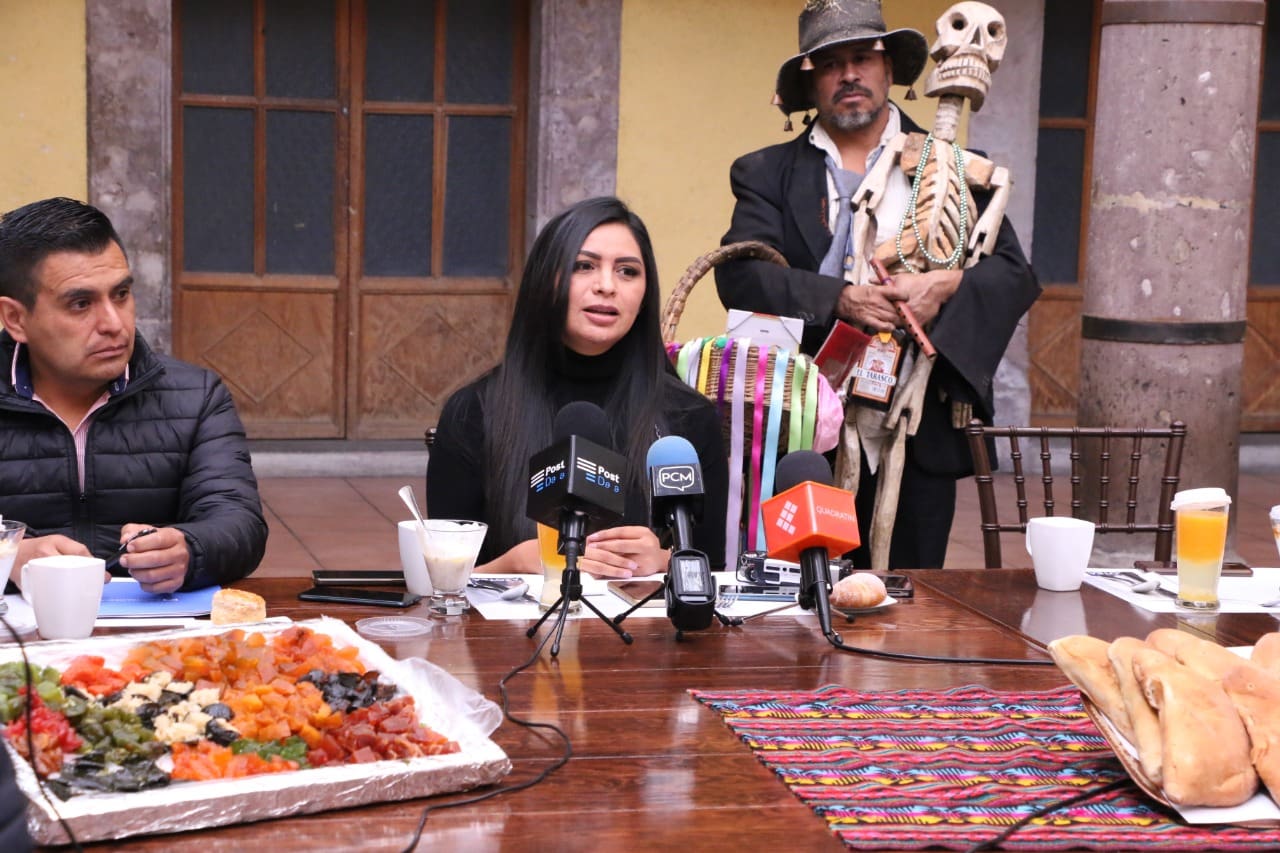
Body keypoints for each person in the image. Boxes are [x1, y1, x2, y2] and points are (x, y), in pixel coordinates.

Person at [715, 0, 1039, 569]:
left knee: (911, 594)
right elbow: (740, 273)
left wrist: (947, 285)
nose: (849, 75)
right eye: (830, 64)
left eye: (863, 58)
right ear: (810, 82)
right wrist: (840, 298)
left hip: (916, 420)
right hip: (805, 421)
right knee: (801, 588)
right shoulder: (765, 173)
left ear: (889, 70)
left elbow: (1014, 274)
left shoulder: (955, 166)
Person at [427, 197, 728, 578]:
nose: (606, 286)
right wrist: (512, 565)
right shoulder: (474, 412)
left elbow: (715, 575)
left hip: (642, 619)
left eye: (627, 271)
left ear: (644, 294)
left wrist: (667, 564)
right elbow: (440, 586)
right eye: (584, 266)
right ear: (545, 280)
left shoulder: (689, 418)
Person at [0, 197, 267, 592]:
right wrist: (9, 555)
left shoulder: (195, 397)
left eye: (121, 294)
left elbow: (238, 521)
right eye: (80, 303)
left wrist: (190, 550)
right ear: (16, 319)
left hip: (157, 623)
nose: (113, 323)